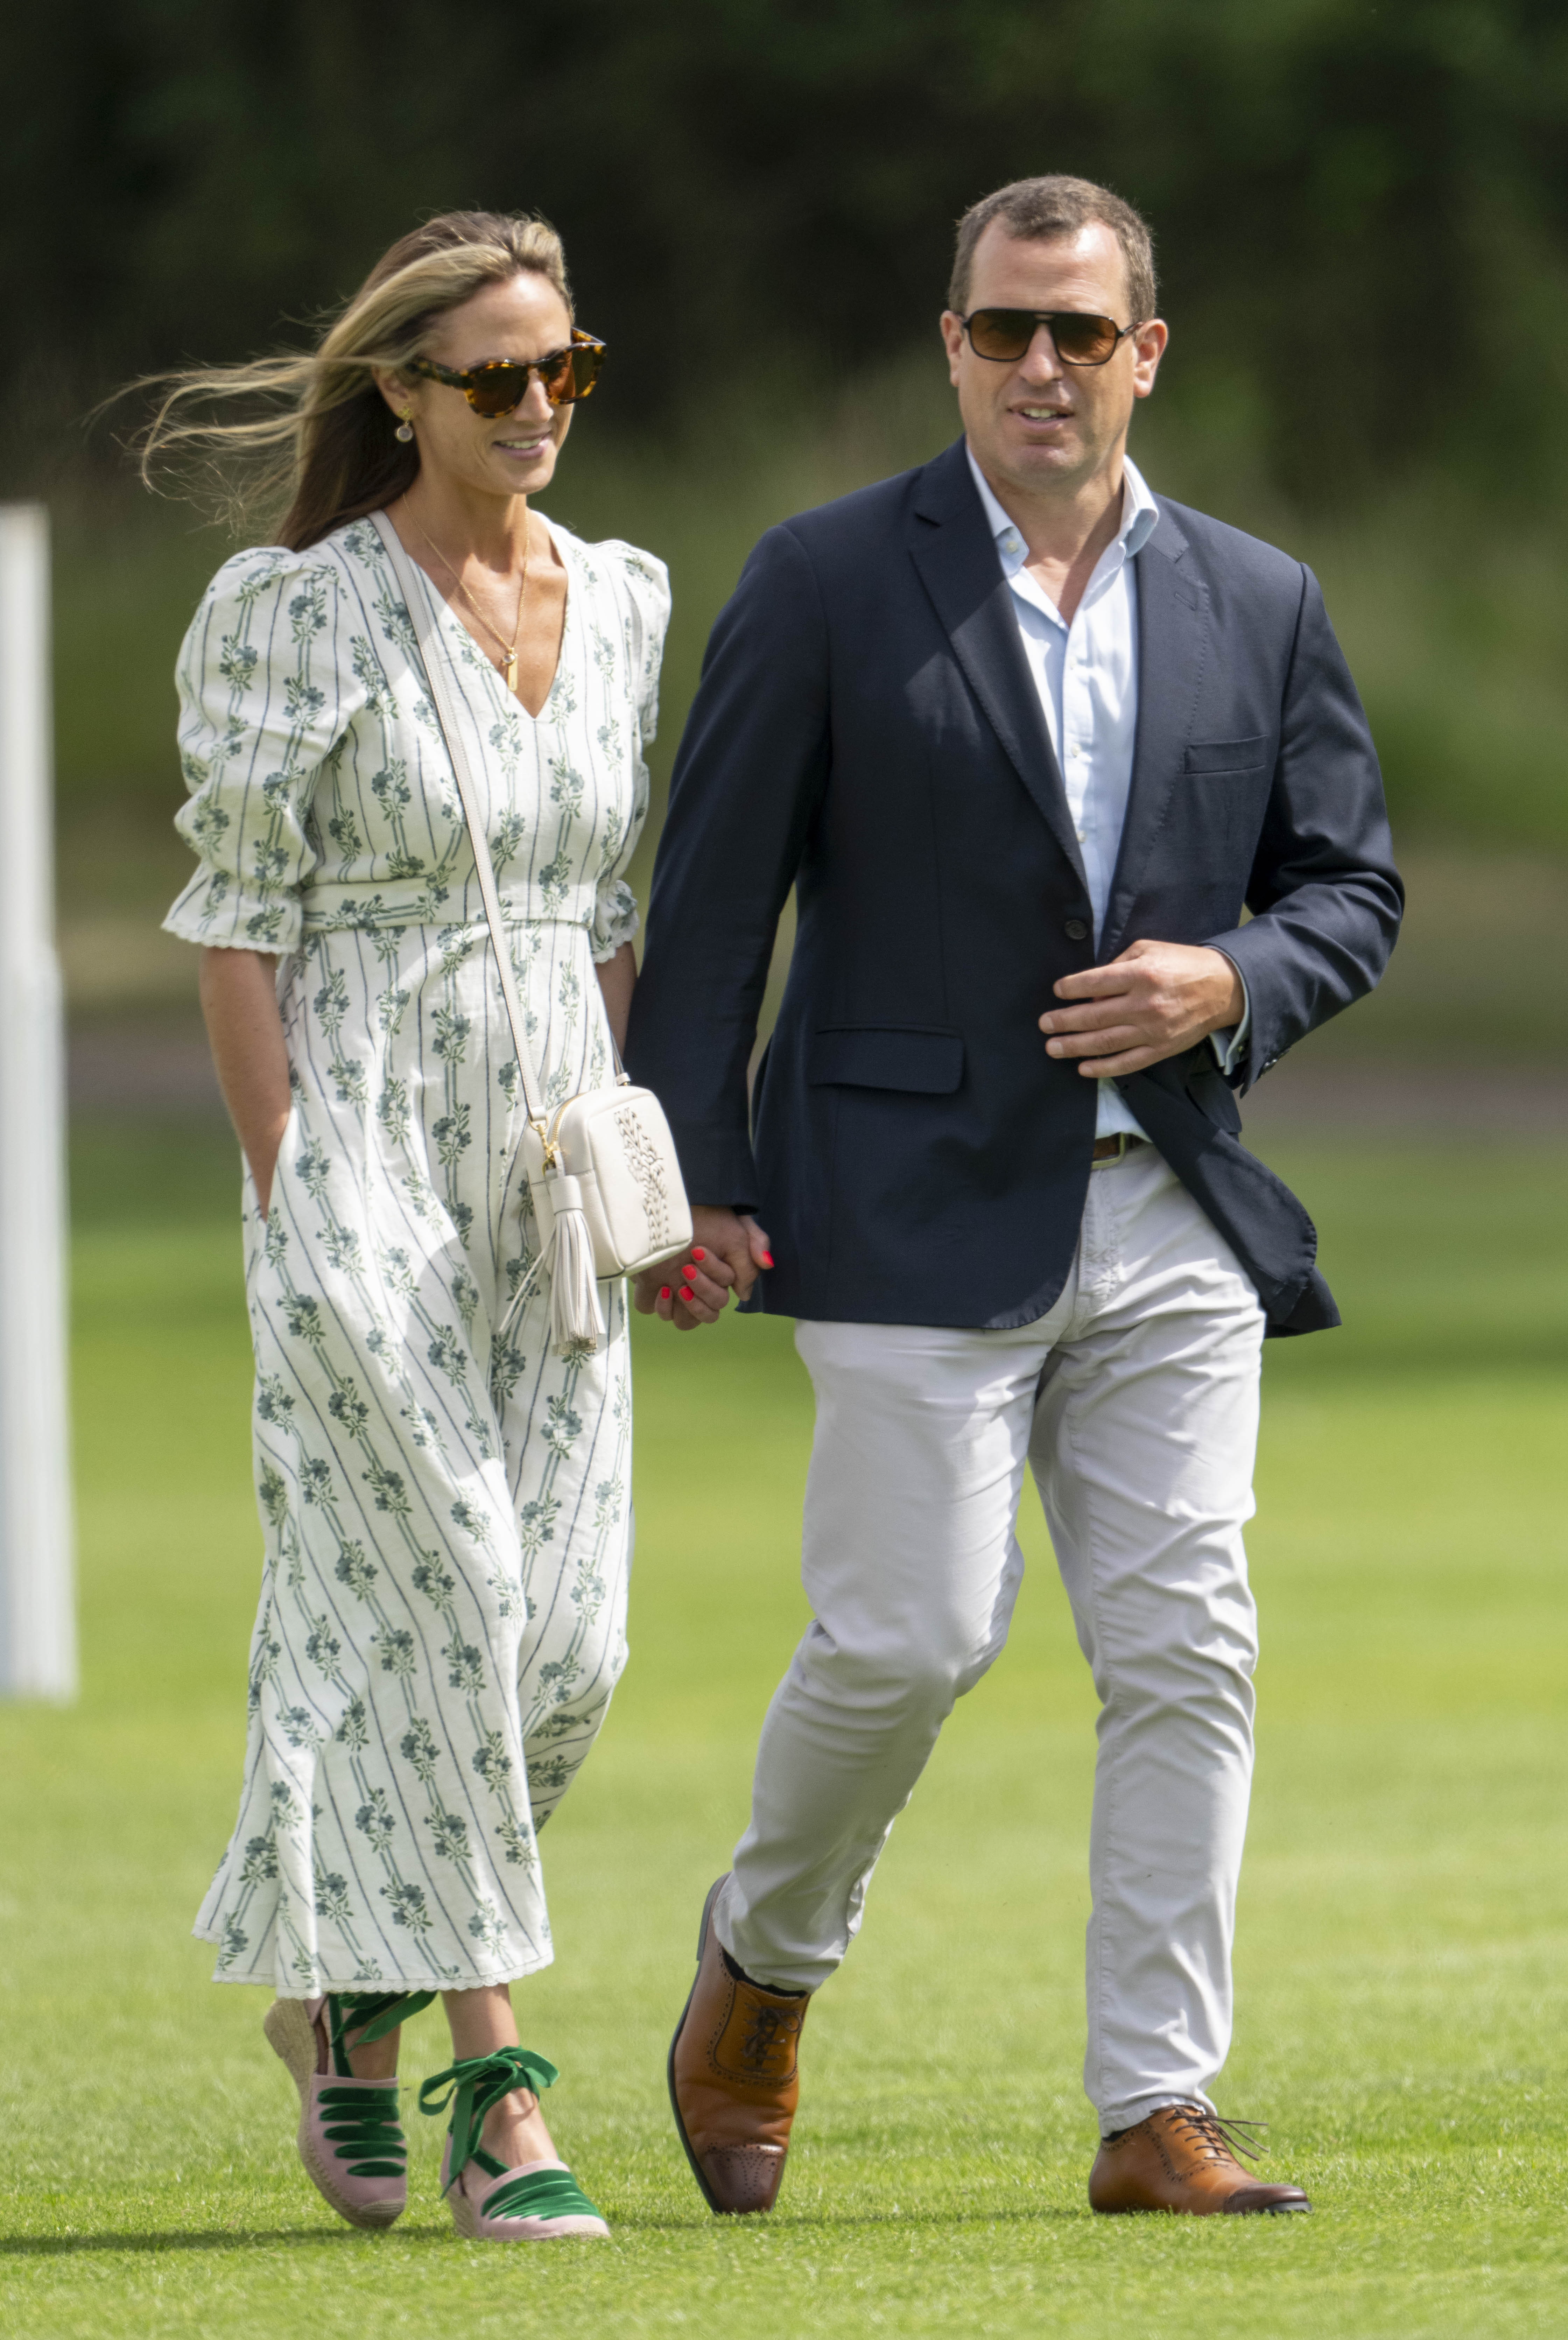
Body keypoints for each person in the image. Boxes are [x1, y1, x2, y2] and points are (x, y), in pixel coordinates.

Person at [626, 174, 1401, 2218]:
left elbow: (1351, 887)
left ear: (1147, 350)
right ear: (948, 345)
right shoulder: (816, 580)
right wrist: (687, 1180)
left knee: (1187, 1646)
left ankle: (1157, 2108)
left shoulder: (1260, 595)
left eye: (1078, 331)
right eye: (1000, 330)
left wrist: (1229, 979)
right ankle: (761, 1969)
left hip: (1172, 1213)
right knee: (909, 1638)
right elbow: (705, 920)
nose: (1037, 366)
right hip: (889, 1197)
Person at [148, 210, 673, 2243]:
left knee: (570, 1642)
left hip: (552, 1161)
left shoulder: (623, 597)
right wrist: (291, 1187)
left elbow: (611, 908)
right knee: (442, 1584)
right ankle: (496, 2090)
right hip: (358, 1135)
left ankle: (340, 1995)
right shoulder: (288, 612)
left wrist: (632, 1163)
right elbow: (233, 922)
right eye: (492, 379)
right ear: (401, 394)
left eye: (565, 371)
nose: (537, 407)